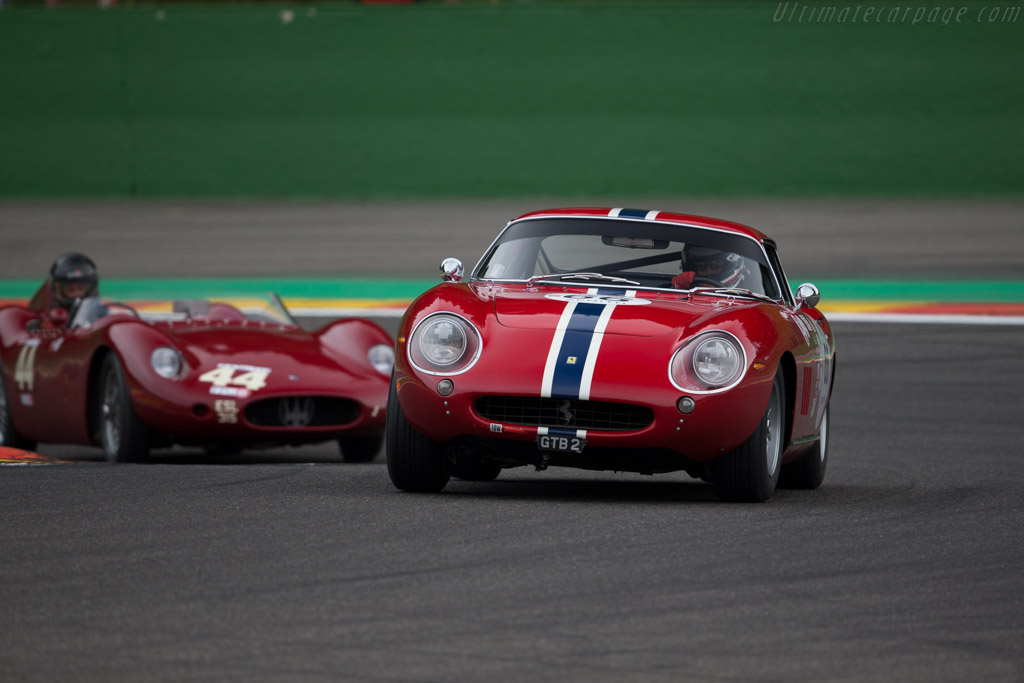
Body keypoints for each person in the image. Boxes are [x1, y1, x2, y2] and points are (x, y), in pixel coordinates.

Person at [671, 245, 747, 290]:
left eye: (715, 266)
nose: (708, 271)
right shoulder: (681, 289)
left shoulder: (750, 293)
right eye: (701, 266)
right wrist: (677, 289)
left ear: (727, 266)